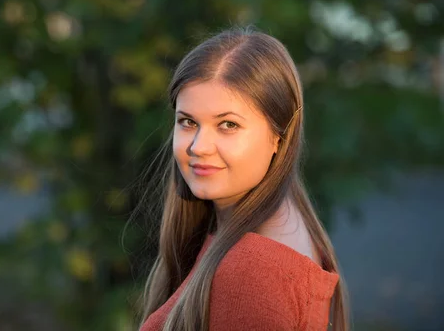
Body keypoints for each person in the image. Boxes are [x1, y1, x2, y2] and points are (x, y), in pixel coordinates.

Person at [136, 27, 349, 331]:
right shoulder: (261, 235)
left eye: (228, 125)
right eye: (187, 122)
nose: (198, 147)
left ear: (279, 135)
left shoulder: (252, 273)